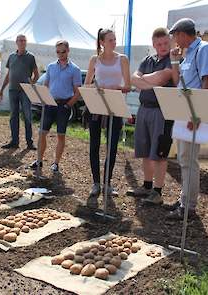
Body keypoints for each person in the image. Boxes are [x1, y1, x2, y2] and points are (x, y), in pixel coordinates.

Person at [166, 18, 208, 220]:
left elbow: (206, 81)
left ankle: (188, 206)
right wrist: (175, 61)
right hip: (185, 110)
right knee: (184, 158)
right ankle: (185, 198)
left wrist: (198, 113)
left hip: (194, 112)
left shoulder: (203, 49)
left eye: (174, 35)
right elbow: (180, 82)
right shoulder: (188, 53)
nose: (173, 39)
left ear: (183, 34)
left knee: (188, 159)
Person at [84, 28, 130, 207]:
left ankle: (107, 183)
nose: (114, 42)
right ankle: (96, 183)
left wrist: (113, 88)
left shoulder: (123, 59)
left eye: (115, 39)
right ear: (102, 42)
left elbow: (128, 85)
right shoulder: (94, 59)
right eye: (110, 40)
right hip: (97, 105)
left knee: (112, 146)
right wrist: (95, 88)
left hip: (115, 105)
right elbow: (87, 83)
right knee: (94, 144)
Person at [129, 28, 173, 205]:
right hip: (144, 108)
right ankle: (146, 186)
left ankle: (157, 192)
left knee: (159, 152)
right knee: (145, 150)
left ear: (169, 42)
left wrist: (144, 81)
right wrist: (150, 81)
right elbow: (133, 78)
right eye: (159, 44)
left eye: (165, 43)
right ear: (153, 44)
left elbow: (162, 79)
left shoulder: (173, 61)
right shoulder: (147, 60)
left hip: (161, 111)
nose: (162, 47)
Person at [30, 40, 82, 173]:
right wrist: (43, 98)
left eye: (63, 52)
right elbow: (46, 85)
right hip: (49, 103)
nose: (60, 54)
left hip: (64, 105)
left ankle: (56, 163)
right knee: (42, 133)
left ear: (68, 50)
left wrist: (68, 105)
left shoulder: (75, 69)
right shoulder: (51, 66)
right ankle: (39, 160)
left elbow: (78, 91)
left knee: (61, 135)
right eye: (58, 52)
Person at [0, 34, 39, 150]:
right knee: (13, 116)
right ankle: (14, 141)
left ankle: (29, 142)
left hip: (25, 91)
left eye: (24, 40)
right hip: (12, 90)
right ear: (16, 42)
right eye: (20, 40)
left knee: (27, 116)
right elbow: (8, 75)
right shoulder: (11, 57)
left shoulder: (31, 57)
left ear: (26, 42)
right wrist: (1, 90)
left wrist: (32, 84)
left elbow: (36, 74)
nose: (22, 42)